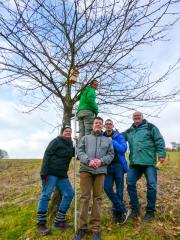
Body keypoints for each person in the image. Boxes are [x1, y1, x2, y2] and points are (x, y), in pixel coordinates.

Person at [75, 117, 114, 240]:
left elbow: (111, 154)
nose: (98, 125)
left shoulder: (107, 140)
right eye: (96, 123)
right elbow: (79, 151)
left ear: (102, 126)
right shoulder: (85, 138)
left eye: (100, 123)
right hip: (86, 170)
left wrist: (100, 161)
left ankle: (95, 228)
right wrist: (88, 161)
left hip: (100, 171)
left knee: (98, 198)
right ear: (92, 125)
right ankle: (82, 228)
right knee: (84, 198)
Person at [123, 111, 166, 222]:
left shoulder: (151, 127)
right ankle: (135, 207)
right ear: (132, 118)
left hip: (149, 163)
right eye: (135, 116)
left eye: (139, 116)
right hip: (135, 163)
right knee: (130, 182)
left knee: (152, 186)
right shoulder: (129, 131)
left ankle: (150, 211)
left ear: (142, 117)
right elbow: (118, 137)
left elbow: (159, 140)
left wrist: (161, 154)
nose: (137, 117)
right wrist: (106, 134)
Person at [36, 126, 75, 235]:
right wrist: (44, 173)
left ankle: (59, 221)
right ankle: (41, 224)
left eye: (70, 132)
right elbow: (47, 155)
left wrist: (79, 142)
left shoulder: (70, 144)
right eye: (66, 131)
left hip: (62, 174)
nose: (68, 132)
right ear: (62, 132)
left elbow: (75, 153)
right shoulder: (56, 141)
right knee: (46, 195)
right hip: (51, 173)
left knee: (69, 194)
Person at [103, 119, 129, 224]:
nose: (108, 126)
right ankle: (122, 208)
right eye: (107, 124)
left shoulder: (118, 136)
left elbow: (123, 149)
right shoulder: (101, 136)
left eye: (110, 124)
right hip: (107, 166)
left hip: (118, 165)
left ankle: (117, 213)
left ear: (112, 125)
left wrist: (112, 141)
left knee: (119, 189)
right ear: (104, 126)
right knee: (107, 188)